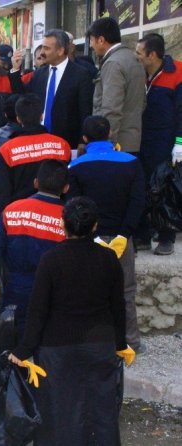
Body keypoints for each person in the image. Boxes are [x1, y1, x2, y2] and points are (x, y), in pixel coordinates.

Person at [9, 196, 133, 446]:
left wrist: (23, 350)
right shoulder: (109, 259)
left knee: (60, 413)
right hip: (100, 345)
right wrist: (120, 343)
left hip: (57, 349)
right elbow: (119, 307)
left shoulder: (51, 260)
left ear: (62, 224)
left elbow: (38, 311)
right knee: (101, 413)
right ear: (95, 226)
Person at [67, 115, 147, 354]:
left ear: (84, 138)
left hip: (89, 239)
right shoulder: (131, 162)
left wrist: (91, 235)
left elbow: (75, 205)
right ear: (110, 133)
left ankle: (89, 341)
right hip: (123, 238)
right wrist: (124, 234)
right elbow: (138, 201)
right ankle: (131, 342)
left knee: (86, 289)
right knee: (126, 291)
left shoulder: (77, 166)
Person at [0, 160, 68, 336]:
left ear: (36, 182)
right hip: (53, 292)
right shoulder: (68, 218)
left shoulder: (12, 210)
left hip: (16, 289)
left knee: (17, 342)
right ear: (66, 188)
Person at [135, 33, 182, 255]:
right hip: (140, 141)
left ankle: (166, 237)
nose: (136, 57)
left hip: (166, 143)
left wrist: (180, 143)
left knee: (163, 190)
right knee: (140, 187)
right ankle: (142, 235)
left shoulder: (177, 74)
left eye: (139, 53)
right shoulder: (139, 74)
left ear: (152, 55)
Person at [0, 94, 71, 224]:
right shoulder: (62, 146)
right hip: (56, 220)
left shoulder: (7, 150)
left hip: (19, 220)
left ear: (18, 119)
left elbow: (1, 194)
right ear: (42, 116)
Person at [27, 29, 93, 149]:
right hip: (39, 141)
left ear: (60, 51)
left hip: (68, 142)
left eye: (46, 48)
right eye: (42, 47)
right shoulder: (38, 74)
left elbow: (85, 111)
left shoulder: (81, 74)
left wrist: (82, 141)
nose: (41, 52)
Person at [88, 17, 146, 153]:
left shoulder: (113, 63)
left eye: (91, 40)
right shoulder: (132, 59)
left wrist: (107, 144)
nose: (91, 45)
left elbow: (111, 109)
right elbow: (142, 102)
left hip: (116, 146)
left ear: (101, 40)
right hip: (132, 141)